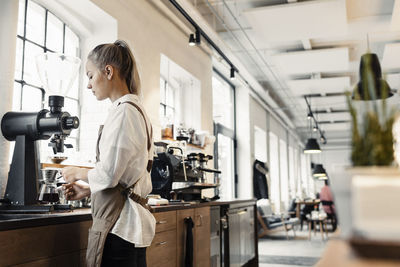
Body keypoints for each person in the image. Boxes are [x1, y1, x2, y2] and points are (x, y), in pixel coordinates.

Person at [61, 40, 155, 267]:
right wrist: (88, 190)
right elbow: (123, 177)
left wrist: (76, 172)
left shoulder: (124, 112)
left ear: (108, 71)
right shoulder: (135, 109)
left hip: (121, 227)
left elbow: (110, 174)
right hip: (128, 227)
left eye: (90, 76)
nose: (89, 85)